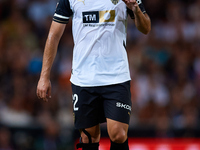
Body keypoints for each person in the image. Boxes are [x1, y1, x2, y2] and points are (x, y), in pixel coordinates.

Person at [36, 0, 151, 149]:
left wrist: (135, 9)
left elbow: (146, 28)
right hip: (84, 78)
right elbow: (54, 35)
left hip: (116, 75)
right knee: (88, 137)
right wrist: (44, 77)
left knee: (118, 133)